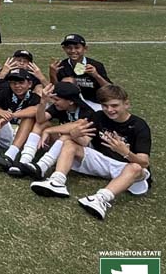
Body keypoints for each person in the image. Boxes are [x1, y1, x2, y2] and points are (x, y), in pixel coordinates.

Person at [30, 85, 151, 220]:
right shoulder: (99, 116)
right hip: (101, 160)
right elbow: (84, 141)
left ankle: (101, 199)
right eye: (105, 106)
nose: (109, 110)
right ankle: (57, 182)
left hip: (126, 167)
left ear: (126, 104)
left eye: (114, 105)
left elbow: (144, 162)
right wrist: (75, 135)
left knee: (135, 167)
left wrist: (126, 153)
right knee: (69, 143)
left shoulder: (139, 125)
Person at [7, 81, 97, 180]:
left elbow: (75, 126)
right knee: (41, 124)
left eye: (57, 99)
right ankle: (24, 161)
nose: (54, 102)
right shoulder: (59, 107)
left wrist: (49, 131)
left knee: (68, 134)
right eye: (53, 99)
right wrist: (43, 102)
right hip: (63, 145)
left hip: (82, 150)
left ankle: (42, 167)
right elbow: (40, 119)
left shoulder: (88, 112)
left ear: (71, 101)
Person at [0, 68, 42, 170]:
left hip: (22, 139)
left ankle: (10, 156)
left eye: (21, 82)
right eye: (13, 83)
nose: (17, 86)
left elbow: (36, 110)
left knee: (29, 118)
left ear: (29, 84)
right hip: (6, 132)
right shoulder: (7, 92)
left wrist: (12, 115)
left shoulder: (35, 97)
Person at [49, 33, 111, 111]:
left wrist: (96, 75)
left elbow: (110, 89)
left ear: (85, 48)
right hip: (71, 103)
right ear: (64, 49)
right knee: (67, 81)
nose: (73, 51)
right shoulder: (61, 66)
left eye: (77, 47)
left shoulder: (96, 65)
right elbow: (56, 90)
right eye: (69, 48)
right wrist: (52, 74)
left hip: (93, 102)